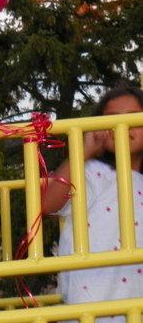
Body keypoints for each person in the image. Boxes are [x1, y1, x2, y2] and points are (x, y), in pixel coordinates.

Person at [41, 86, 143, 322]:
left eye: (133, 118)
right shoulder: (91, 172)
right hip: (89, 305)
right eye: (113, 120)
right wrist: (83, 151)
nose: (123, 126)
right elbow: (48, 203)